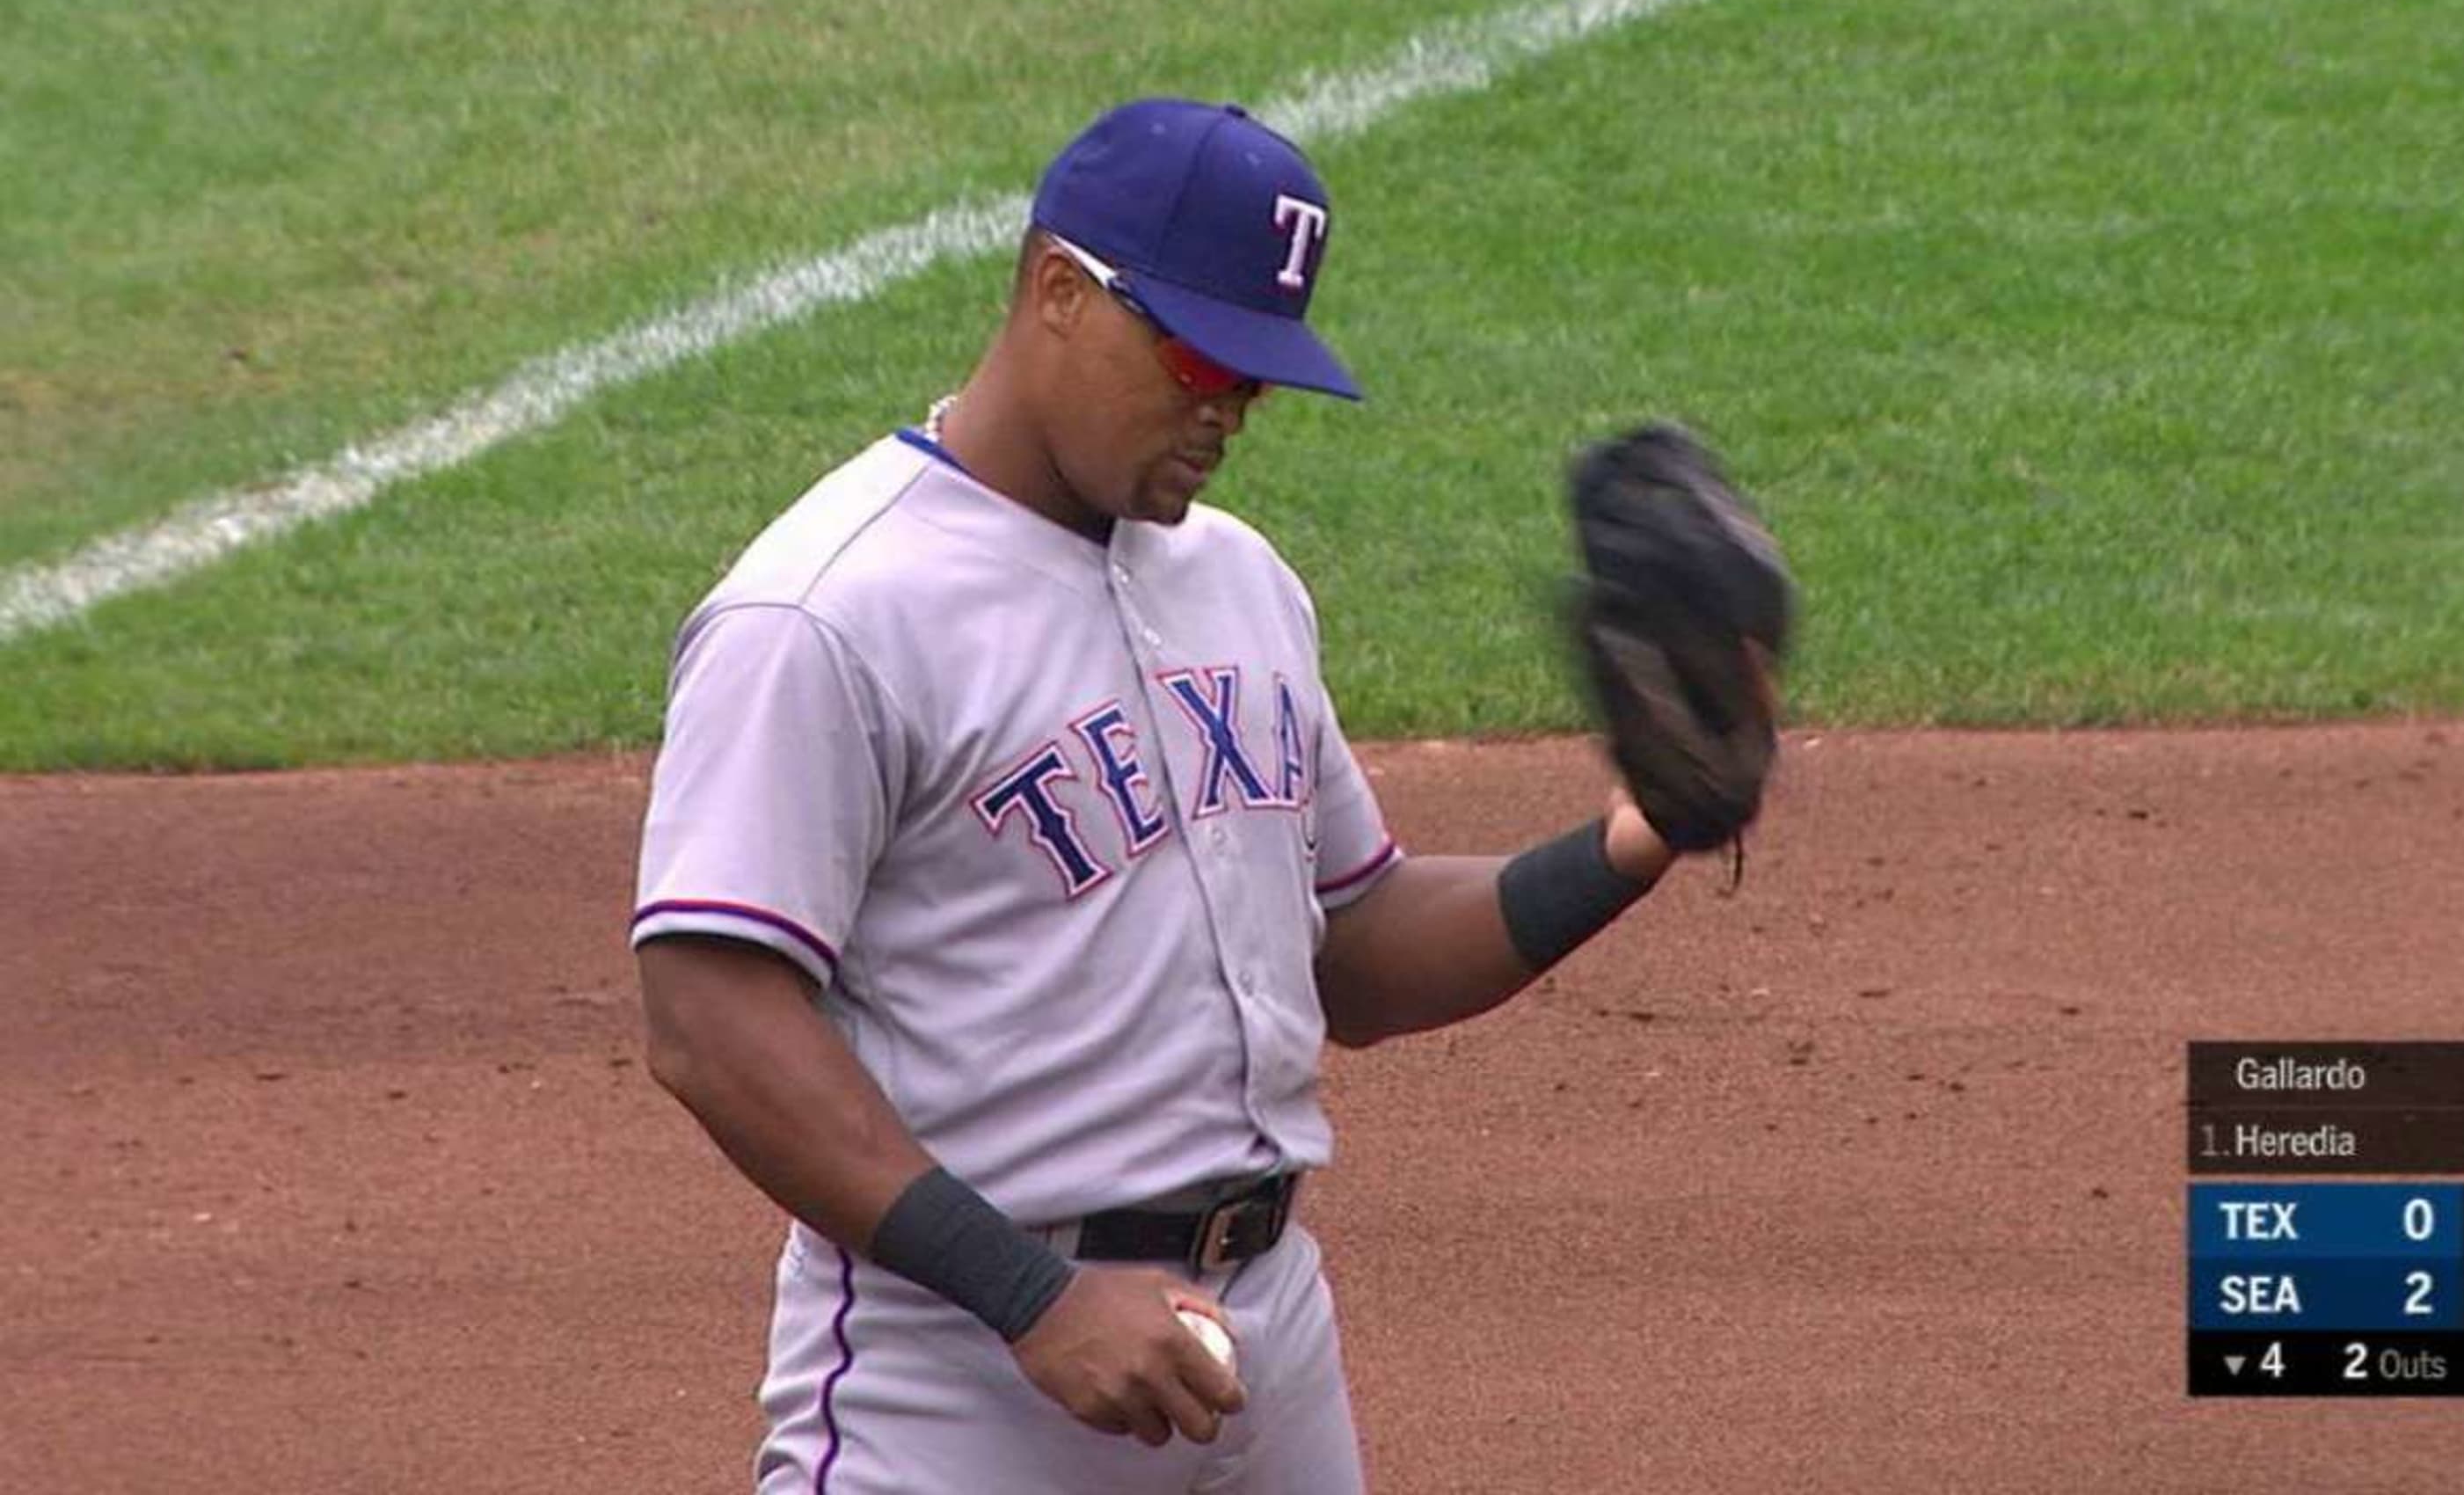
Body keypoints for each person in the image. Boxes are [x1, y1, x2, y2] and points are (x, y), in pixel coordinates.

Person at [631, 98, 1714, 1495]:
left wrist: (1636, 840)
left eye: (1258, 377)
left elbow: (1355, 947)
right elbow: (708, 1018)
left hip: (1264, 1348)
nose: (1230, 410)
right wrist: (1030, 1296)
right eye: (1200, 360)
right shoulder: (828, 611)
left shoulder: (1240, 580)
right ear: (1058, 294)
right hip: (963, 1381)